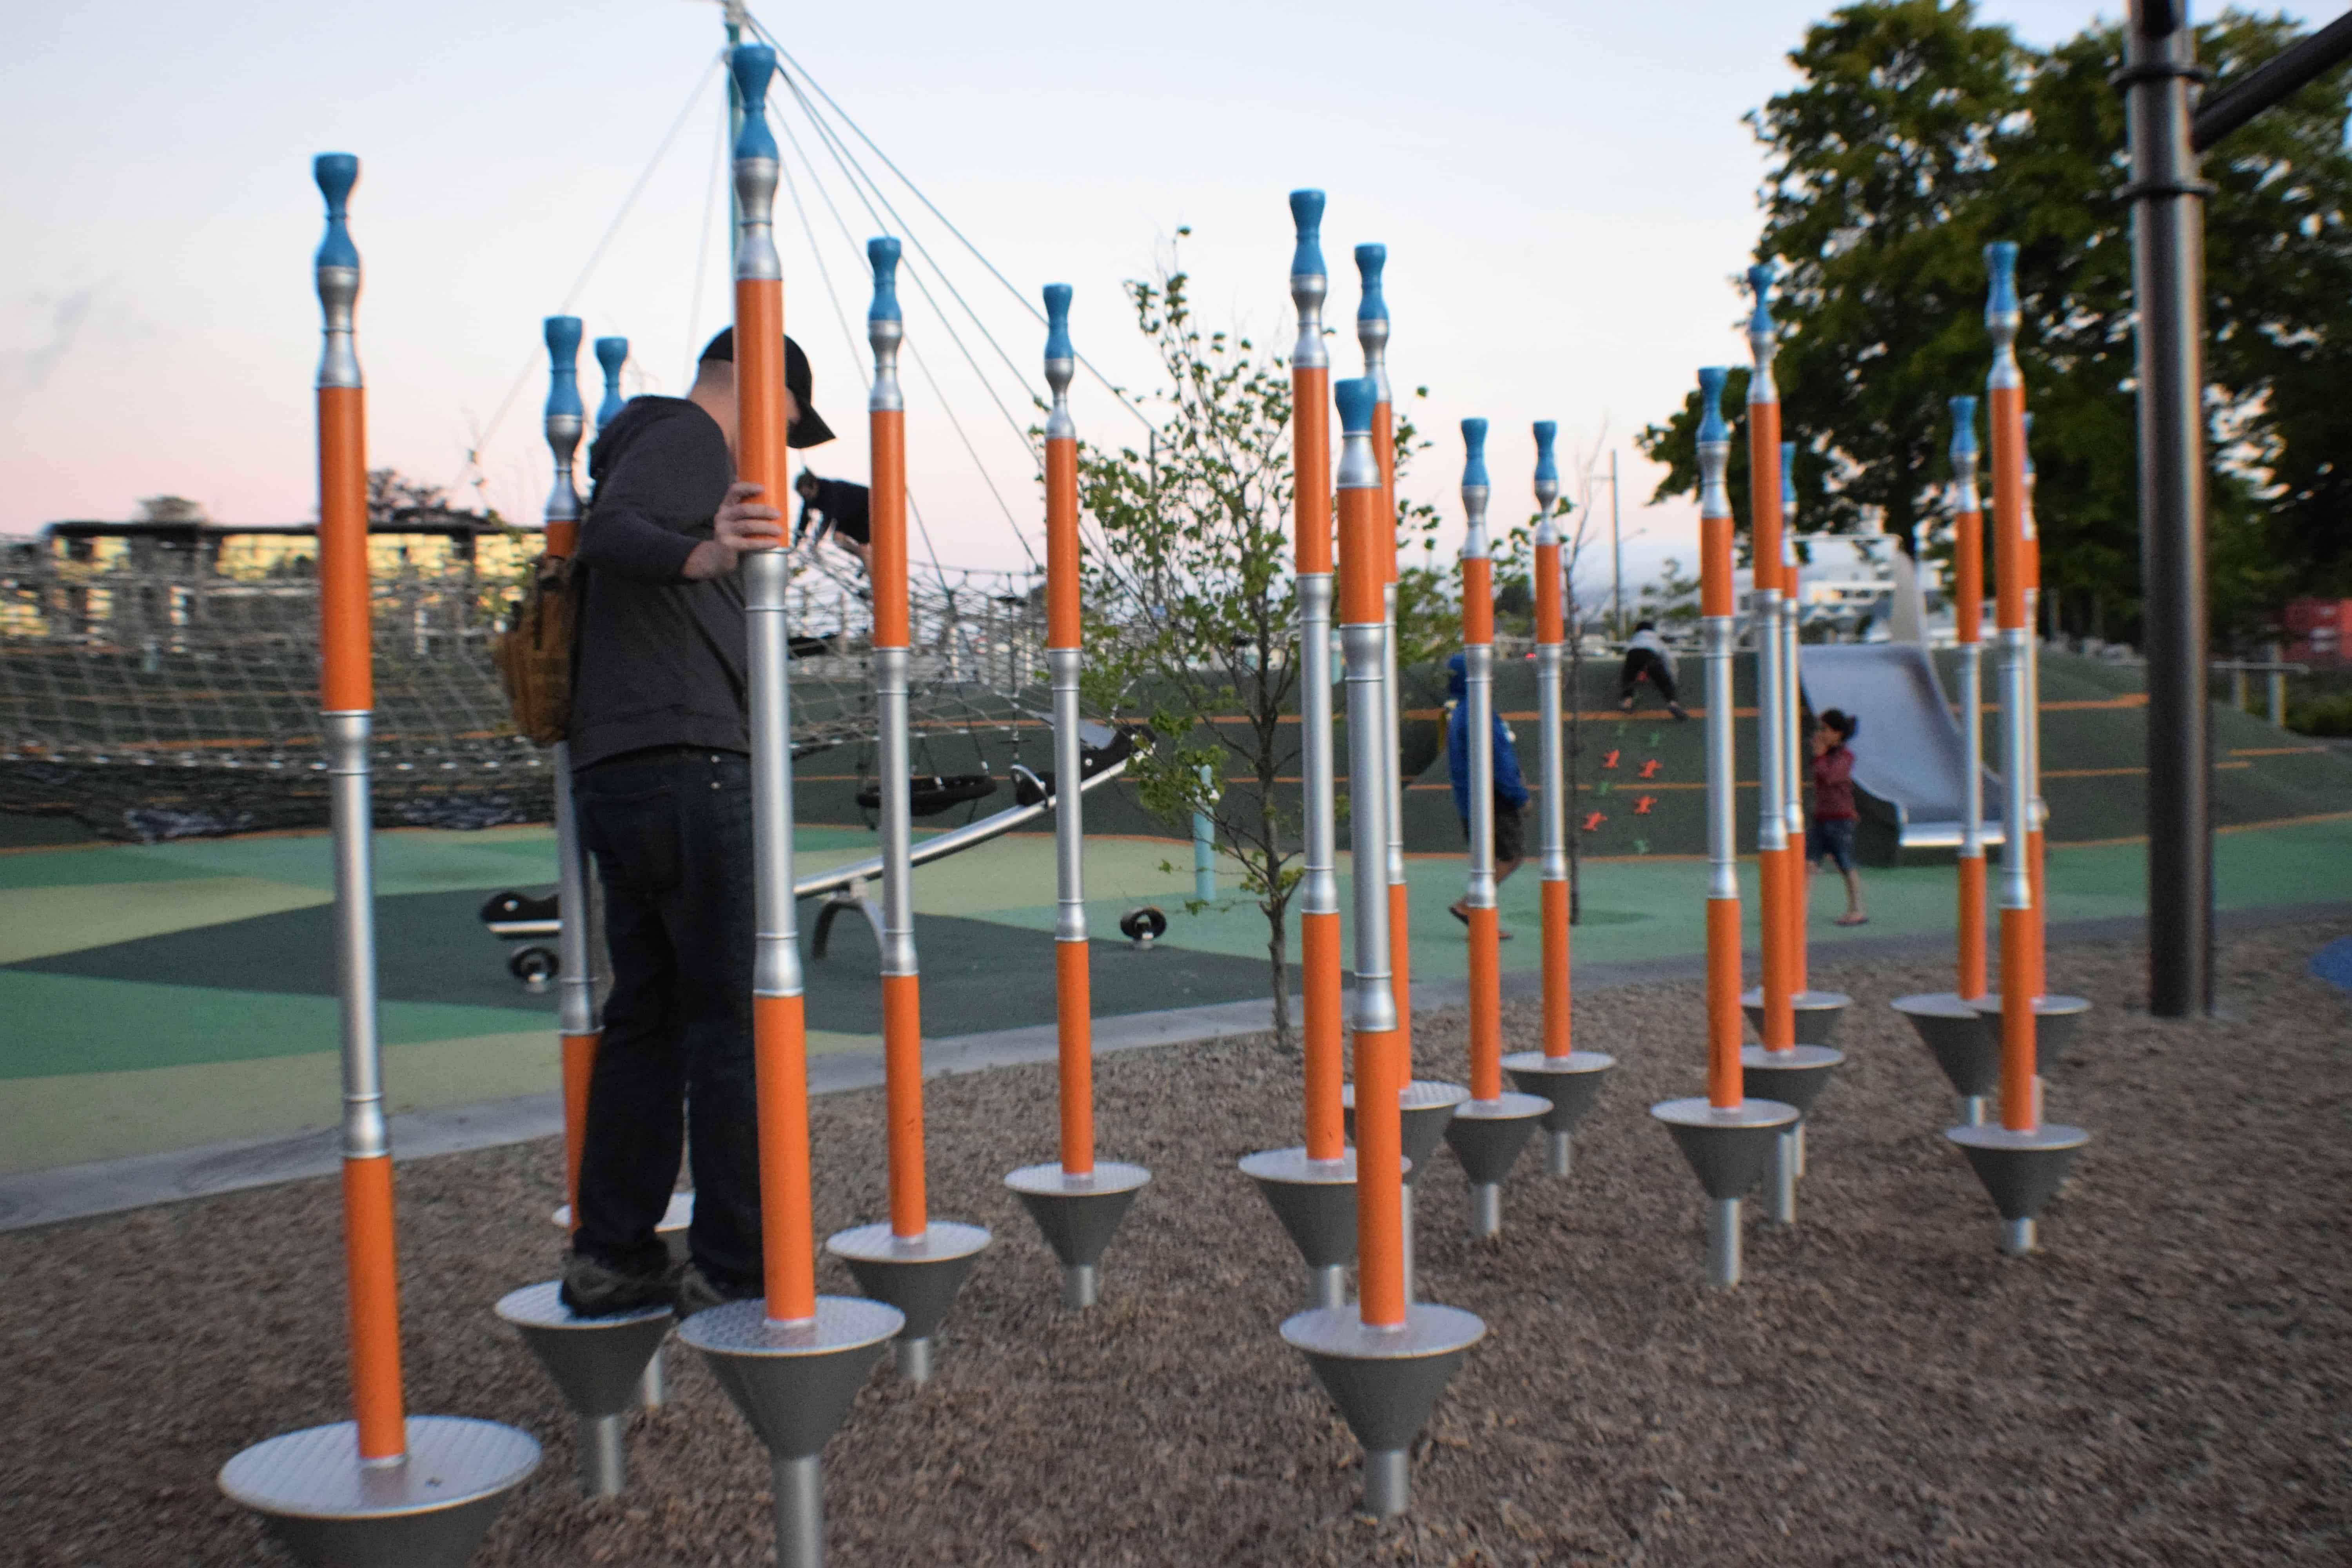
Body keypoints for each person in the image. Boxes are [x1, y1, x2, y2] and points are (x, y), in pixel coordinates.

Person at [559, 326, 837, 1319]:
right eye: (792, 422)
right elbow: (614, 530)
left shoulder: (661, 442)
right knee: (732, 1018)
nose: (785, 444)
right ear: (768, 394)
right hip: (691, 766)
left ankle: (614, 1251)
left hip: (625, 764)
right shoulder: (687, 434)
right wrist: (708, 553)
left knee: (651, 1019)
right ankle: (738, 1258)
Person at [1443, 652, 1529, 935]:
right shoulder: (1479, 712)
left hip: (1470, 799)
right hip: (1493, 798)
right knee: (1510, 856)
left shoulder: (1460, 712)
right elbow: (1498, 757)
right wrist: (1519, 794)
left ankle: (1481, 922)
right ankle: (1469, 905)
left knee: (1487, 860)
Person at [1807, 707, 1867, 926]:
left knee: (1845, 863)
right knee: (1808, 864)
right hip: (1821, 817)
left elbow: (1829, 776)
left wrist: (1820, 755)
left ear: (1837, 733)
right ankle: (1798, 912)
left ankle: (1857, 909)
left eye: (1825, 729)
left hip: (1840, 819)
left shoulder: (1846, 757)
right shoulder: (1823, 756)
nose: (1820, 733)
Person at [792, 469, 873, 571]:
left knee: (863, 547)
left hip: (866, 510)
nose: (806, 499)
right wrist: (796, 544)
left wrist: (816, 542)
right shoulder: (810, 498)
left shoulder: (830, 491)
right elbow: (803, 521)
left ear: (814, 486)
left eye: (807, 495)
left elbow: (827, 520)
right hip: (848, 516)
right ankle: (866, 558)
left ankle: (870, 562)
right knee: (838, 539)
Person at [1619, 620, 1688, 719]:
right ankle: (1672, 704)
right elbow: (1669, 660)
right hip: (1649, 654)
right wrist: (1672, 679)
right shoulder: (1656, 639)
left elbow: (1627, 659)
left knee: (1629, 679)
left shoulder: (1635, 638)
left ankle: (1627, 701)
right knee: (1664, 681)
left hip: (1632, 654)